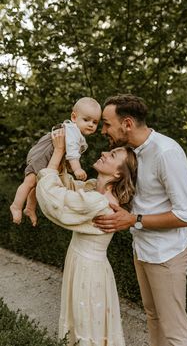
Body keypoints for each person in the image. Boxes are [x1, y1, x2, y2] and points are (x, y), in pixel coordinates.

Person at [93, 94, 187, 346]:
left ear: (127, 123)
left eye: (107, 124)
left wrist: (134, 220)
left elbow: (186, 215)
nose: (103, 130)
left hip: (166, 254)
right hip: (141, 248)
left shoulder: (167, 152)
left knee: (175, 331)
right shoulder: (132, 152)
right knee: (153, 317)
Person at [36, 128, 138, 346]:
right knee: (84, 322)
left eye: (112, 156)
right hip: (83, 263)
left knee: (86, 324)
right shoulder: (94, 190)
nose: (104, 153)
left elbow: (54, 199)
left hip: (88, 270)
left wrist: (57, 154)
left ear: (119, 173)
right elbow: (73, 187)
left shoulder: (100, 203)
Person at [10, 97, 101, 226]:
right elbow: (72, 153)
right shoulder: (72, 130)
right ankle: (16, 206)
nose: (91, 124)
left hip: (48, 153)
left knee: (38, 182)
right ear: (74, 117)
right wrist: (77, 169)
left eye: (95, 122)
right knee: (30, 181)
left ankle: (30, 207)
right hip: (43, 154)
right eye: (86, 120)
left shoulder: (77, 134)